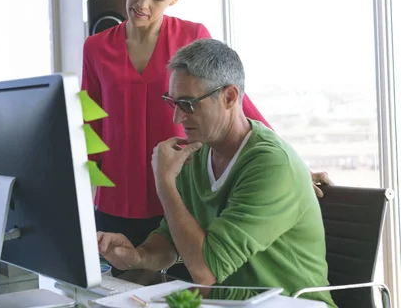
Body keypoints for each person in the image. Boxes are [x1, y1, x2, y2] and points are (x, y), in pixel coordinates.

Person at [81, 0, 328, 247]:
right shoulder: (95, 47)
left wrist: (293, 165)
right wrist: (75, 199)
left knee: (180, 289)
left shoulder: (192, 36)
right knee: (115, 292)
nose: (142, 4)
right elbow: (88, 128)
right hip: (115, 202)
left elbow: (238, 107)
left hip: (181, 195)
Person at [97, 39, 336, 307]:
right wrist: (139, 256)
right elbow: (171, 238)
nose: (177, 118)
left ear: (229, 97)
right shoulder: (197, 154)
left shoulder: (271, 164)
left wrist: (165, 182)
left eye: (188, 104)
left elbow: (205, 271)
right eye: (173, 102)